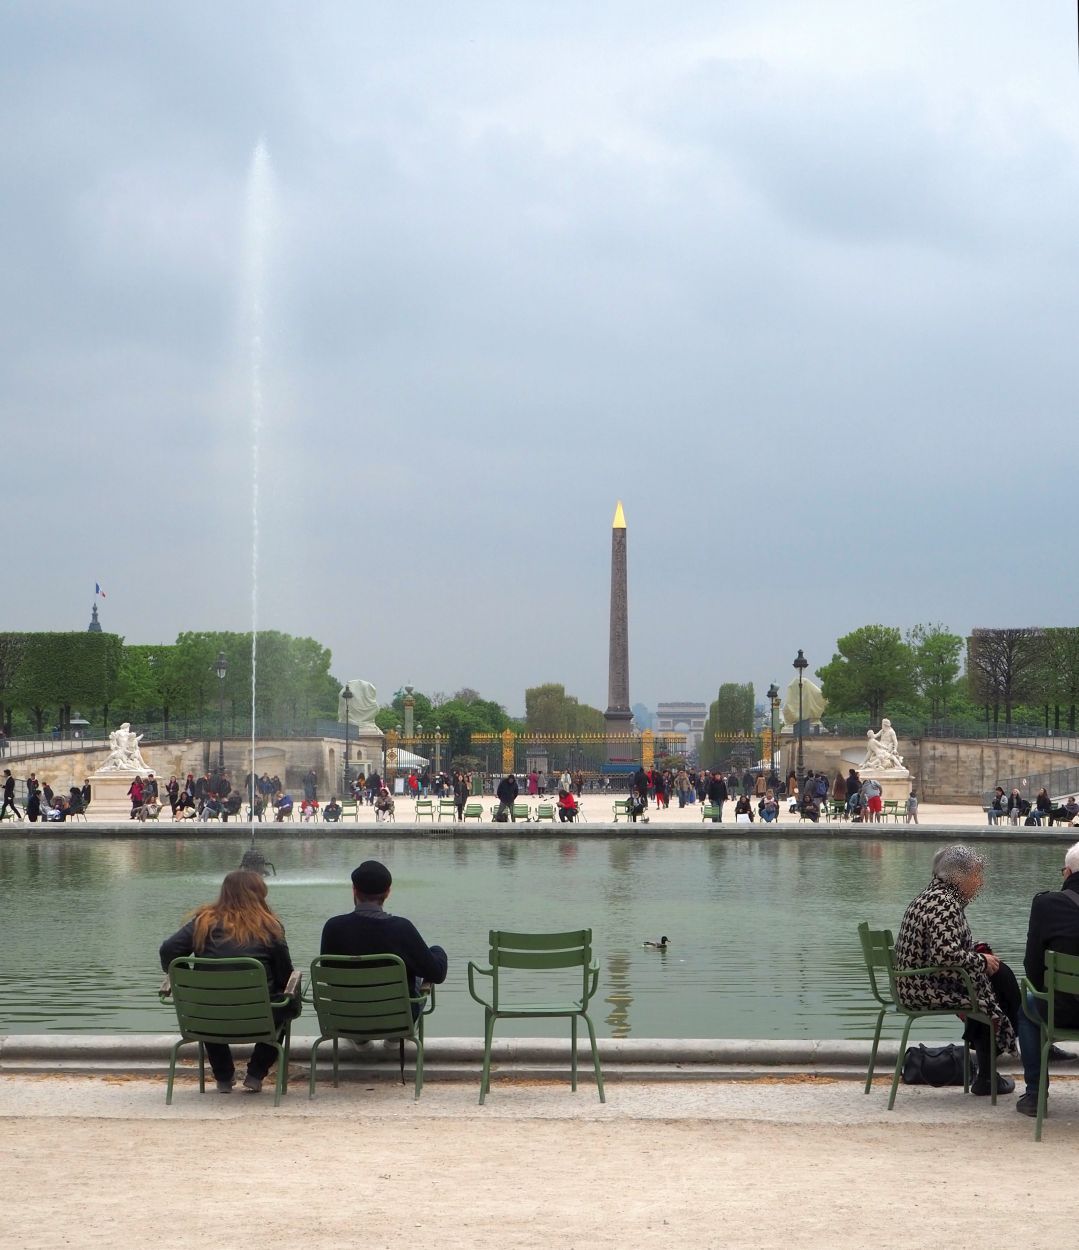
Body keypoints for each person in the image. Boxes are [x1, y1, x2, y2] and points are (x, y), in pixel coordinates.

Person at [894, 845, 1017, 1097]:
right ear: (958, 877)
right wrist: (981, 961)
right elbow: (945, 955)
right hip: (923, 988)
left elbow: (941, 949)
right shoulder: (944, 904)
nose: (979, 882)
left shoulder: (932, 896)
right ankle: (1012, 1052)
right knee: (993, 983)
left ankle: (988, 1073)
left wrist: (978, 956)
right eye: (976, 875)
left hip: (914, 983)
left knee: (994, 979)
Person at [159, 870, 296, 1093]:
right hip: (258, 1016)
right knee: (288, 1004)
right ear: (259, 895)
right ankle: (256, 1073)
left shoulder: (202, 923)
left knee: (210, 1000)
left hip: (210, 1015)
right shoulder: (270, 927)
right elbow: (285, 975)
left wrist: (184, 981)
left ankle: (223, 1076)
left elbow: (168, 949)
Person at [320, 859, 448, 1015]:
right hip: (397, 1019)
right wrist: (437, 951)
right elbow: (436, 973)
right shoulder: (402, 928)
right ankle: (394, 1037)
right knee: (415, 975)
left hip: (346, 1017)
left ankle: (360, 1036)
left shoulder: (332, 928)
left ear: (354, 890)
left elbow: (327, 974)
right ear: (388, 892)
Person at [1015, 841, 1079, 1117]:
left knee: (1027, 1007)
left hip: (1061, 1011)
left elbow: (1032, 967)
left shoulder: (1046, 905)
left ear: (1067, 873)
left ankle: (1035, 1096)